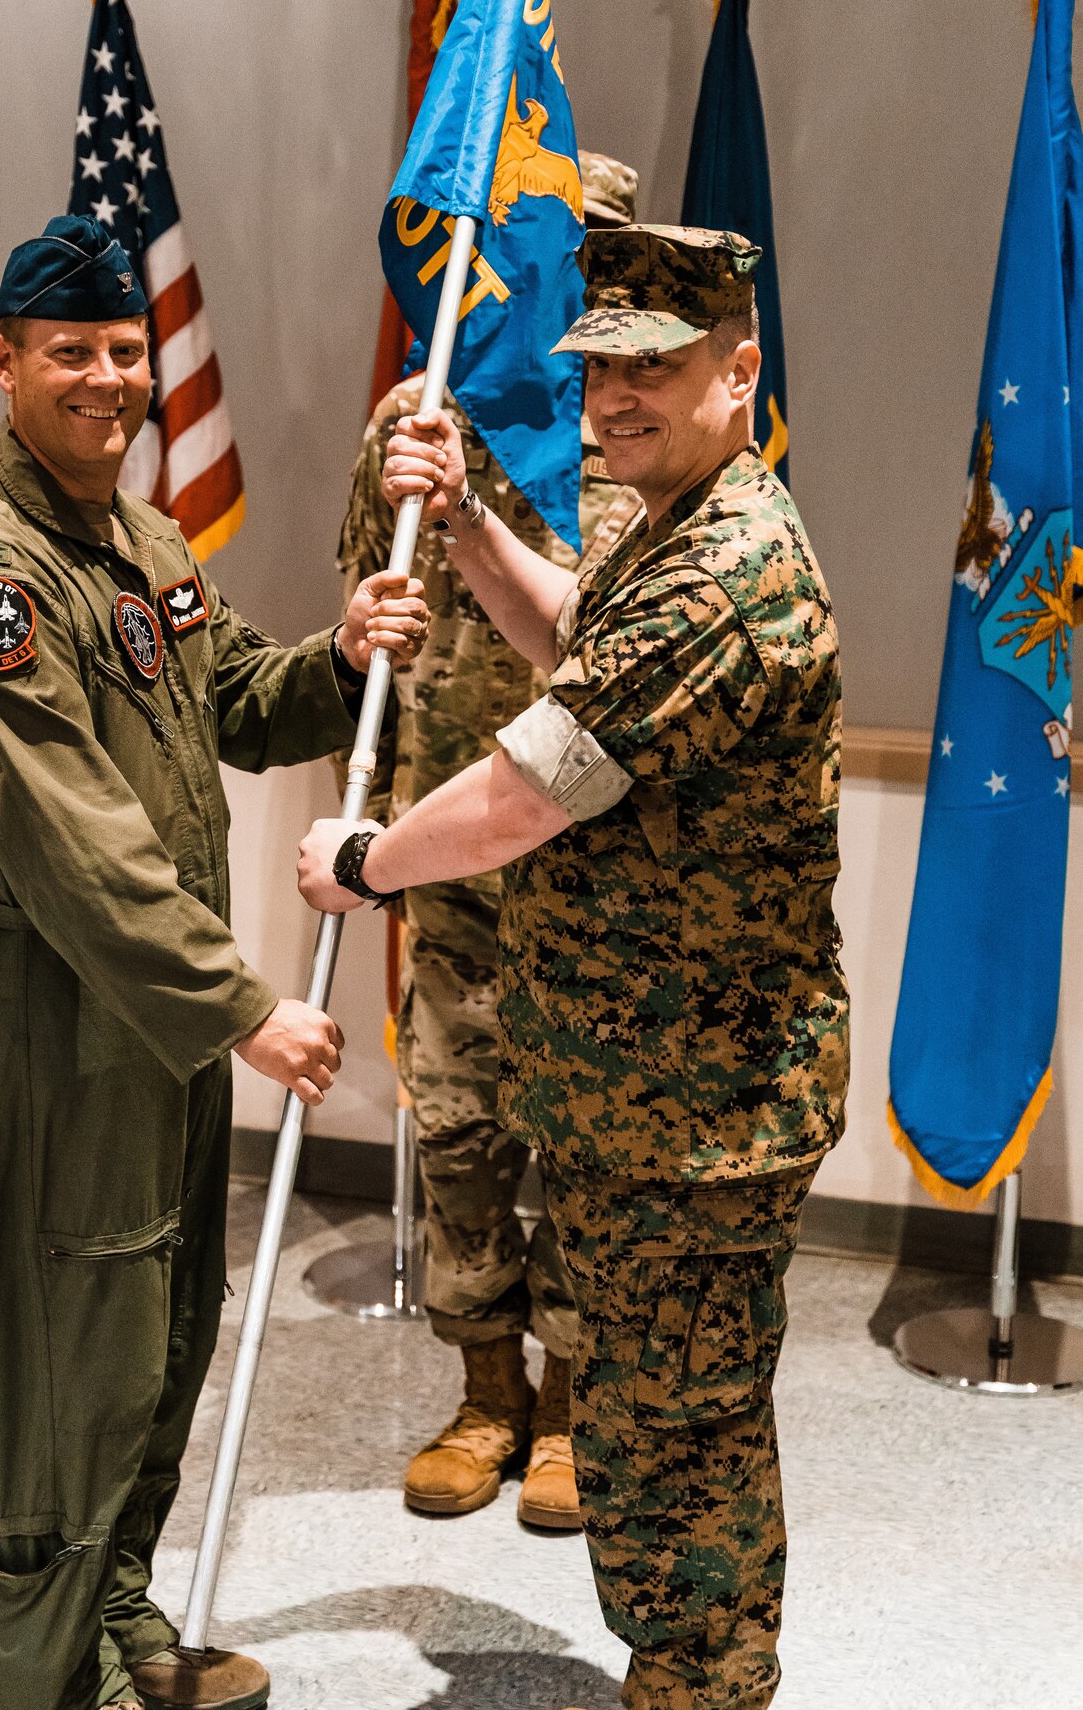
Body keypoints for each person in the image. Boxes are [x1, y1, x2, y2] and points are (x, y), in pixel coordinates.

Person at [299, 223, 849, 1710]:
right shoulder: (653, 523)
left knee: (684, 1440)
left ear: (738, 372)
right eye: (600, 371)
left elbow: (538, 785)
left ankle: (702, 1685)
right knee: (646, 1428)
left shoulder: (725, 566)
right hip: (633, 1094)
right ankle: (675, 1670)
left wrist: (364, 862)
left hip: (699, 1107)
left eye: (654, 373)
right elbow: (570, 649)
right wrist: (472, 525)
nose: (613, 404)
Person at [0, 216, 427, 1710]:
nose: (109, 376)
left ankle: (116, 1623)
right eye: (72, 351)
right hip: (48, 1028)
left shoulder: (139, 541)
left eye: (126, 350)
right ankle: (44, 1678)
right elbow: (70, 844)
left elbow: (227, 702)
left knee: (155, 1333)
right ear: (4, 362)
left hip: (152, 1027)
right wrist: (245, 1006)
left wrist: (336, 656)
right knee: (65, 1357)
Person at [338, 150, 641, 1532]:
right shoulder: (421, 413)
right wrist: (365, 625)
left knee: (581, 1135)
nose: (551, 278)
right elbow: (365, 593)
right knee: (456, 1128)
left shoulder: (645, 431)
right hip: (446, 833)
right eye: (530, 247)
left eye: (581, 254)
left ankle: (576, 1403)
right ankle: (482, 1394)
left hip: (590, 848)